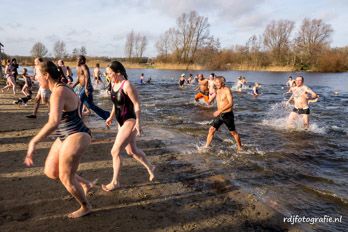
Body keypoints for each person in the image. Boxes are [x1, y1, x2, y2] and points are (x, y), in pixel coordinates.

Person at [24, 60, 95, 218]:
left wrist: (33, 142)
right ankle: (85, 183)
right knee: (51, 171)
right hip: (65, 135)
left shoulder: (59, 91)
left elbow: (54, 122)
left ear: (46, 75)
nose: (35, 78)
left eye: (37, 75)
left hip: (77, 134)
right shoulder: (57, 89)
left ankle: (86, 206)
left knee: (65, 176)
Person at [102, 61, 155, 191]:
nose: (107, 76)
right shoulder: (113, 83)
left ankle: (115, 182)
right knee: (131, 151)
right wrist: (111, 116)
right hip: (121, 122)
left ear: (118, 73)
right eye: (107, 73)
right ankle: (150, 167)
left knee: (114, 151)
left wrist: (138, 122)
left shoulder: (127, 85)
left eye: (109, 73)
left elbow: (137, 104)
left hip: (130, 120)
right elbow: (116, 103)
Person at [204, 76, 242, 151]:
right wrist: (209, 100)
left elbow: (231, 103)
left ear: (222, 82)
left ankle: (240, 147)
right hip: (220, 115)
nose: (216, 84)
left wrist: (219, 110)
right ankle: (206, 146)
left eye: (218, 82)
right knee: (211, 129)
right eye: (215, 82)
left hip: (227, 115)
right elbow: (213, 97)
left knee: (233, 133)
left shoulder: (227, 90)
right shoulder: (217, 90)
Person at [72, 55, 110, 120]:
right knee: (90, 105)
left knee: (79, 99)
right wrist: (73, 85)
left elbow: (87, 76)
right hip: (82, 87)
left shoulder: (84, 66)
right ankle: (106, 114)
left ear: (82, 60)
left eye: (78, 59)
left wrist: (86, 87)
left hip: (87, 87)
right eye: (76, 59)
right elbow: (79, 79)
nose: (77, 61)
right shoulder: (77, 67)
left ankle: (78, 116)